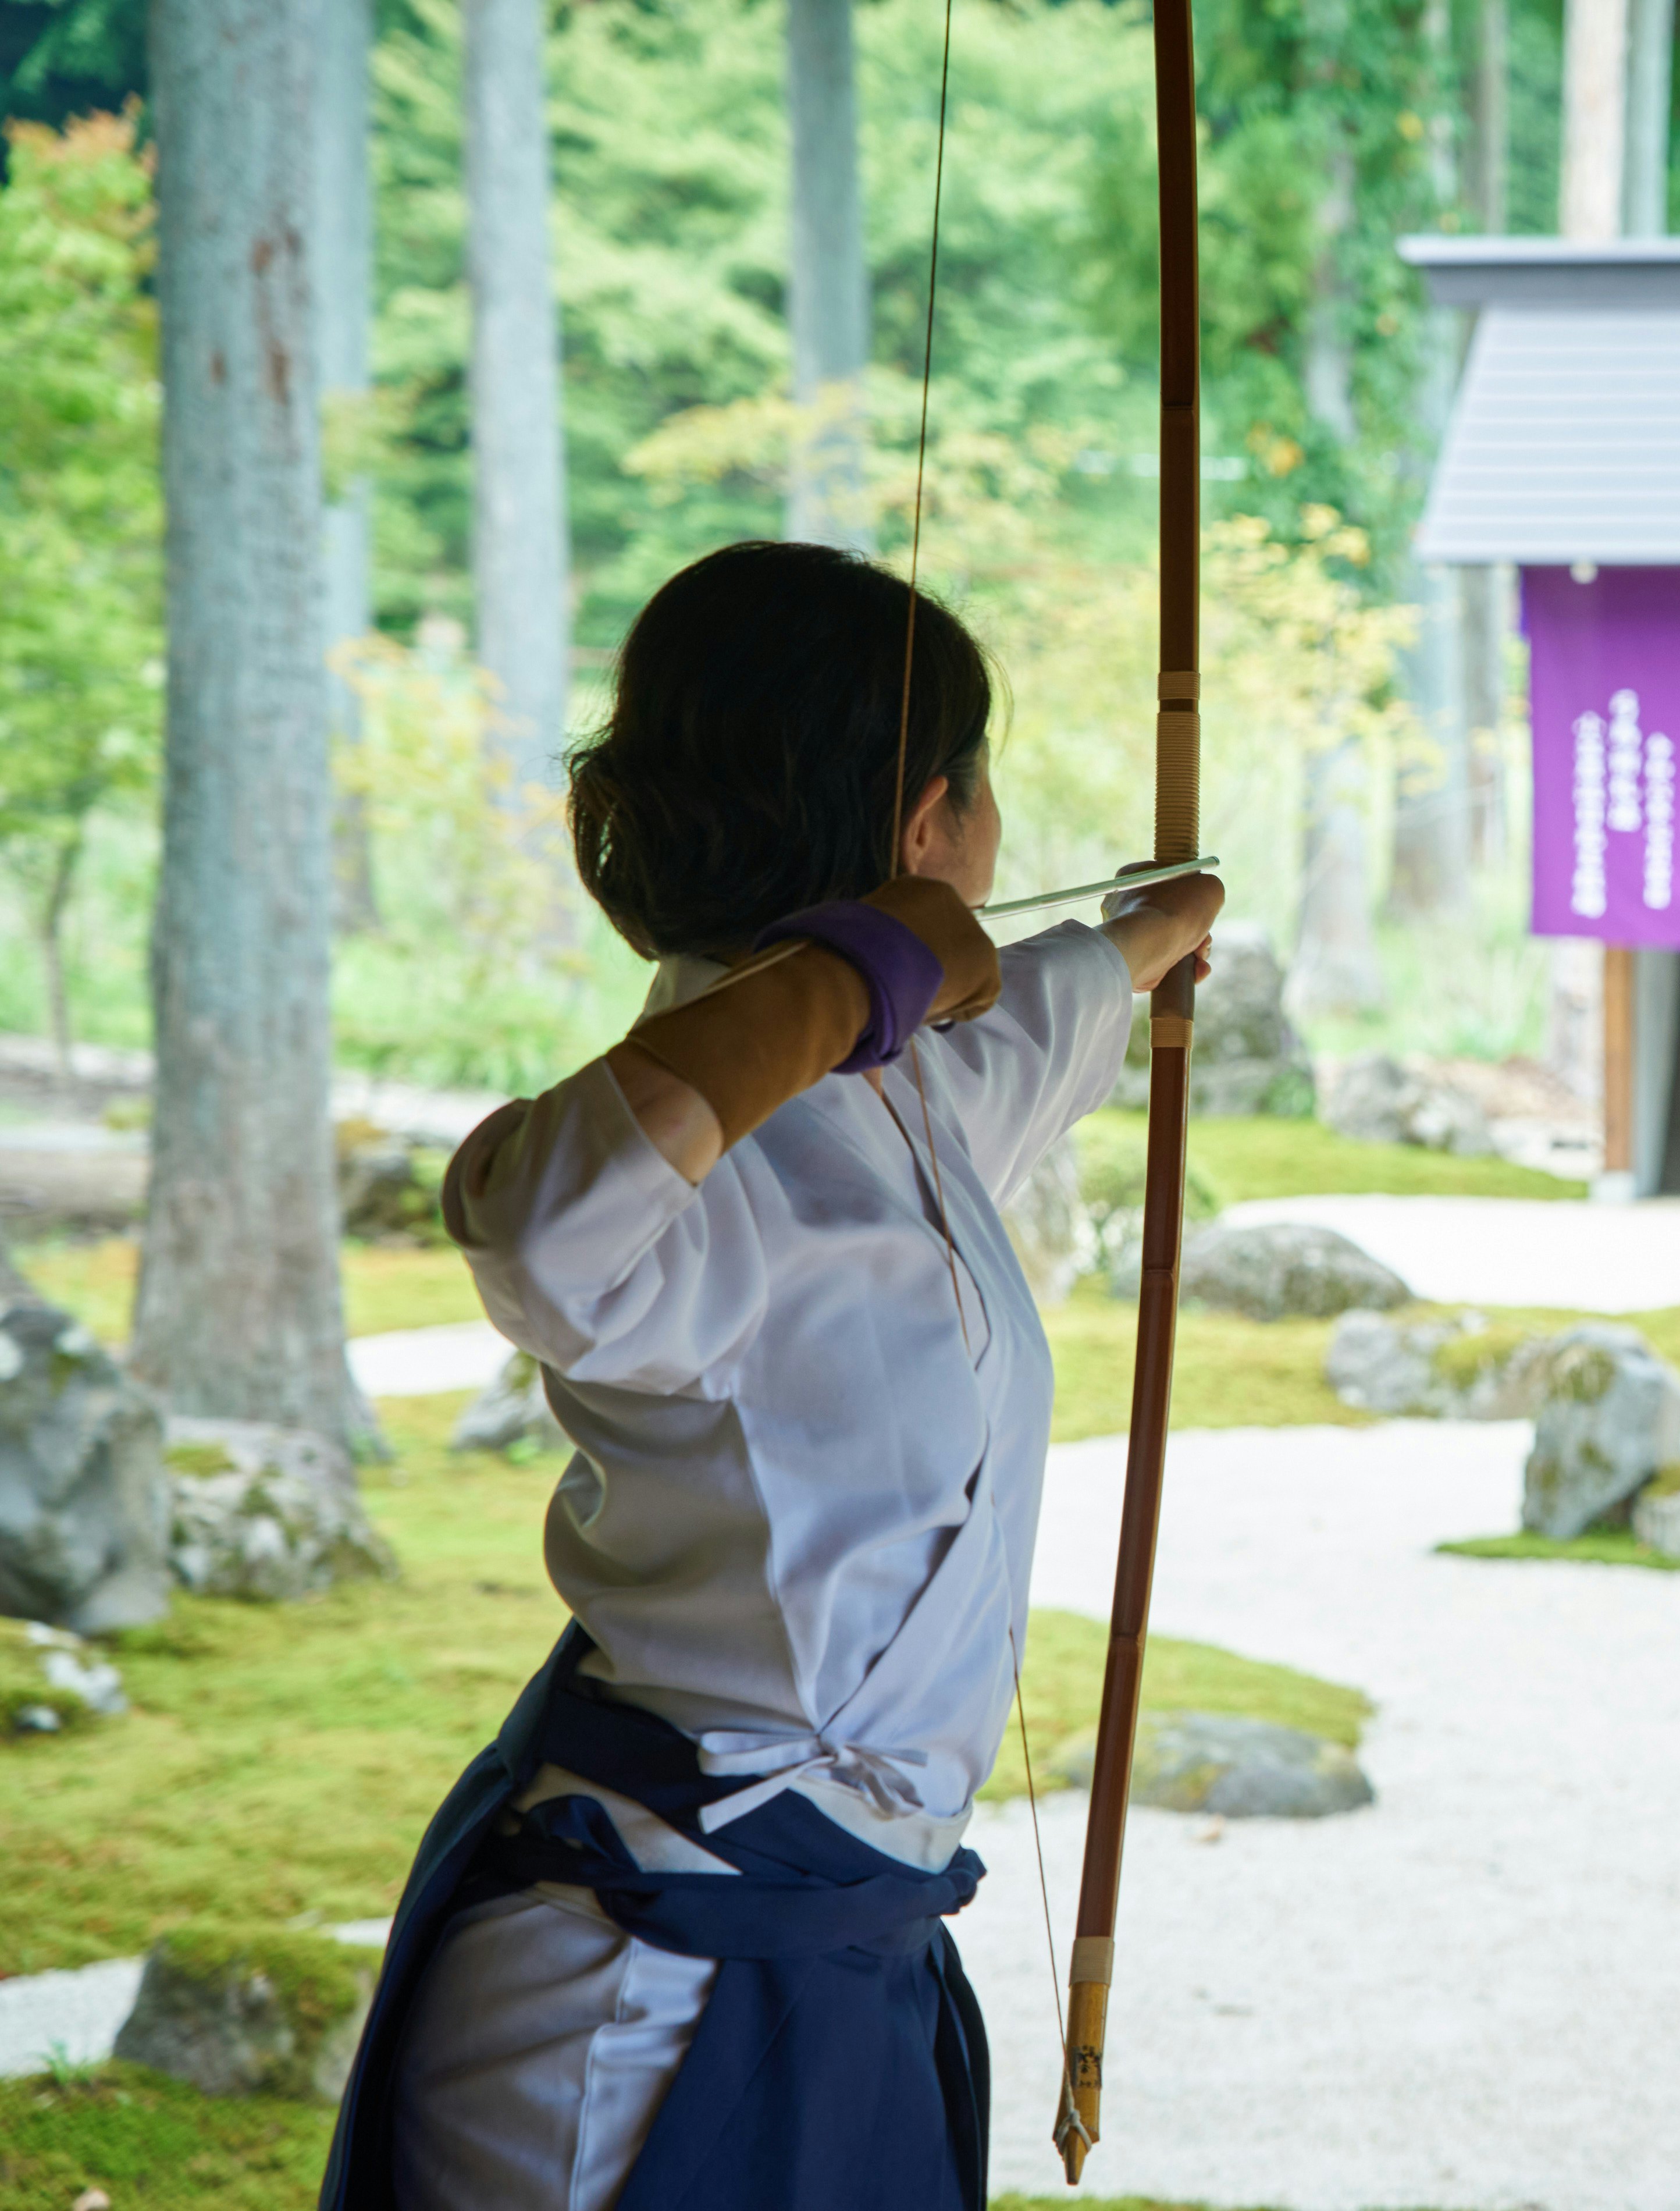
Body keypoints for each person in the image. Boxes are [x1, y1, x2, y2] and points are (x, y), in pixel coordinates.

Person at [316, 540, 1222, 2211]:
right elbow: (543, 1228)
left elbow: (1073, 991)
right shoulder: (640, 1173)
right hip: (629, 2002)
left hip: (831, 1945)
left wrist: (1162, 923)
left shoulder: (924, 1104)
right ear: (927, 825)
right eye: (980, 781)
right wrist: (861, 964)